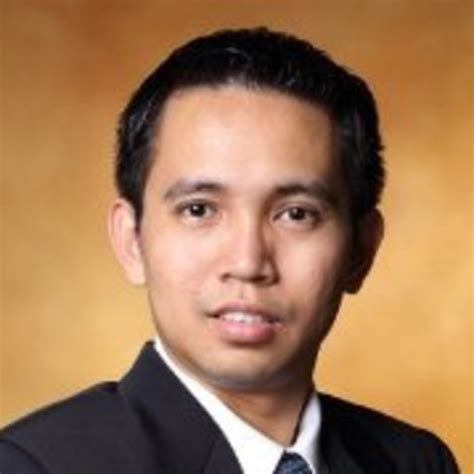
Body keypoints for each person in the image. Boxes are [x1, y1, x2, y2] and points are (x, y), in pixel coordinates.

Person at [0, 27, 458, 474]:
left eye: (296, 214)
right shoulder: (33, 465)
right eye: (199, 209)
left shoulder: (414, 462)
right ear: (132, 239)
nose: (247, 263)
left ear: (361, 250)